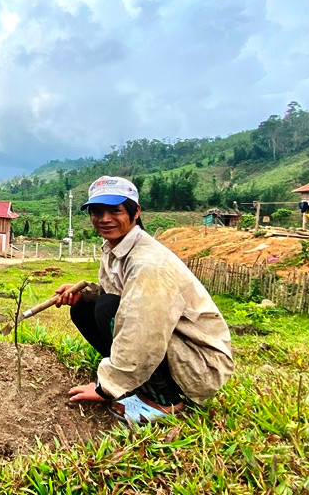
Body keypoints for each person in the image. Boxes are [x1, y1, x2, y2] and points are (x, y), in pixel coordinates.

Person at [55, 176, 233, 424]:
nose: (104, 219)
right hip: (171, 343)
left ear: (135, 211)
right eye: (97, 211)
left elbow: (143, 330)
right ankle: (141, 384)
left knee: (108, 308)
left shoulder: (149, 264)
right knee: (87, 307)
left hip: (198, 363)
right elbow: (119, 293)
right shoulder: (116, 249)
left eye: (115, 210)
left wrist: (105, 387)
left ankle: (165, 400)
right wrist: (87, 293)